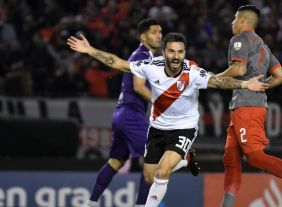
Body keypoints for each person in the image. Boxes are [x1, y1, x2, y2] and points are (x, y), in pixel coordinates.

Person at [68, 32, 269, 207]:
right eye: (172, 52)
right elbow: (119, 63)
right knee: (149, 176)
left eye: (180, 52)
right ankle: (183, 160)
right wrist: (90, 50)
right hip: (157, 129)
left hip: (184, 128)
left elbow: (218, 81)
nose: (176, 56)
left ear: (184, 53)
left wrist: (244, 85)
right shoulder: (150, 66)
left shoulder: (192, 73)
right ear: (164, 52)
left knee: (162, 172)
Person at [74, 18, 197, 207]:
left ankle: (90, 203)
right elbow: (138, 87)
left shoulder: (144, 56)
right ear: (142, 36)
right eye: (154, 32)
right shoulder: (142, 56)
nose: (159, 35)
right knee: (155, 161)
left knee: (116, 161)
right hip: (131, 114)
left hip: (122, 114)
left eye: (160, 31)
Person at [216, 5, 282, 207]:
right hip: (249, 106)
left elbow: (239, 68)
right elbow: (281, 76)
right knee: (231, 159)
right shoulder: (263, 45)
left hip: (246, 106)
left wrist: (213, 79)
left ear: (244, 21)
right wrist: (262, 86)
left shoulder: (239, 39)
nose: (232, 23)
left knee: (255, 157)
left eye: (235, 18)